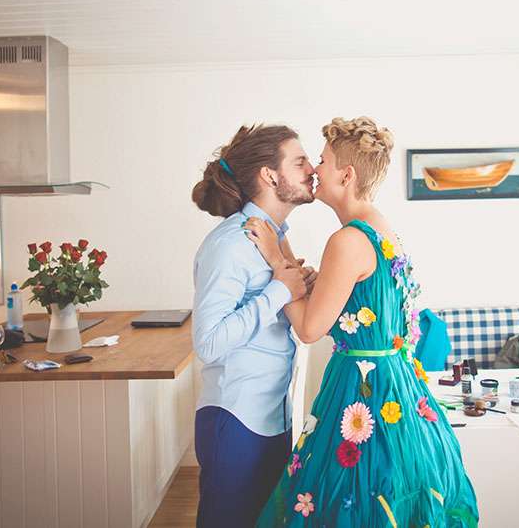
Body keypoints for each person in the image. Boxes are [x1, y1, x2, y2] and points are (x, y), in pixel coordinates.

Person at [245, 117, 479, 527]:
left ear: (346, 174)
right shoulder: (381, 227)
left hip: (363, 391)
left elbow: (309, 329)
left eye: (323, 160)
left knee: (355, 497)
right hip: (399, 382)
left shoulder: (348, 240)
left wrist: (276, 260)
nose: (315, 169)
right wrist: (288, 251)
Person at [190, 124, 319, 528]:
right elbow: (208, 342)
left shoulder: (276, 241)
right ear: (269, 176)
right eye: (299, 162)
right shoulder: (230, 244)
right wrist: (279, 292)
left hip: (274, 418)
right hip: (236, 420)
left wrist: (295, 288)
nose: (312, 169)